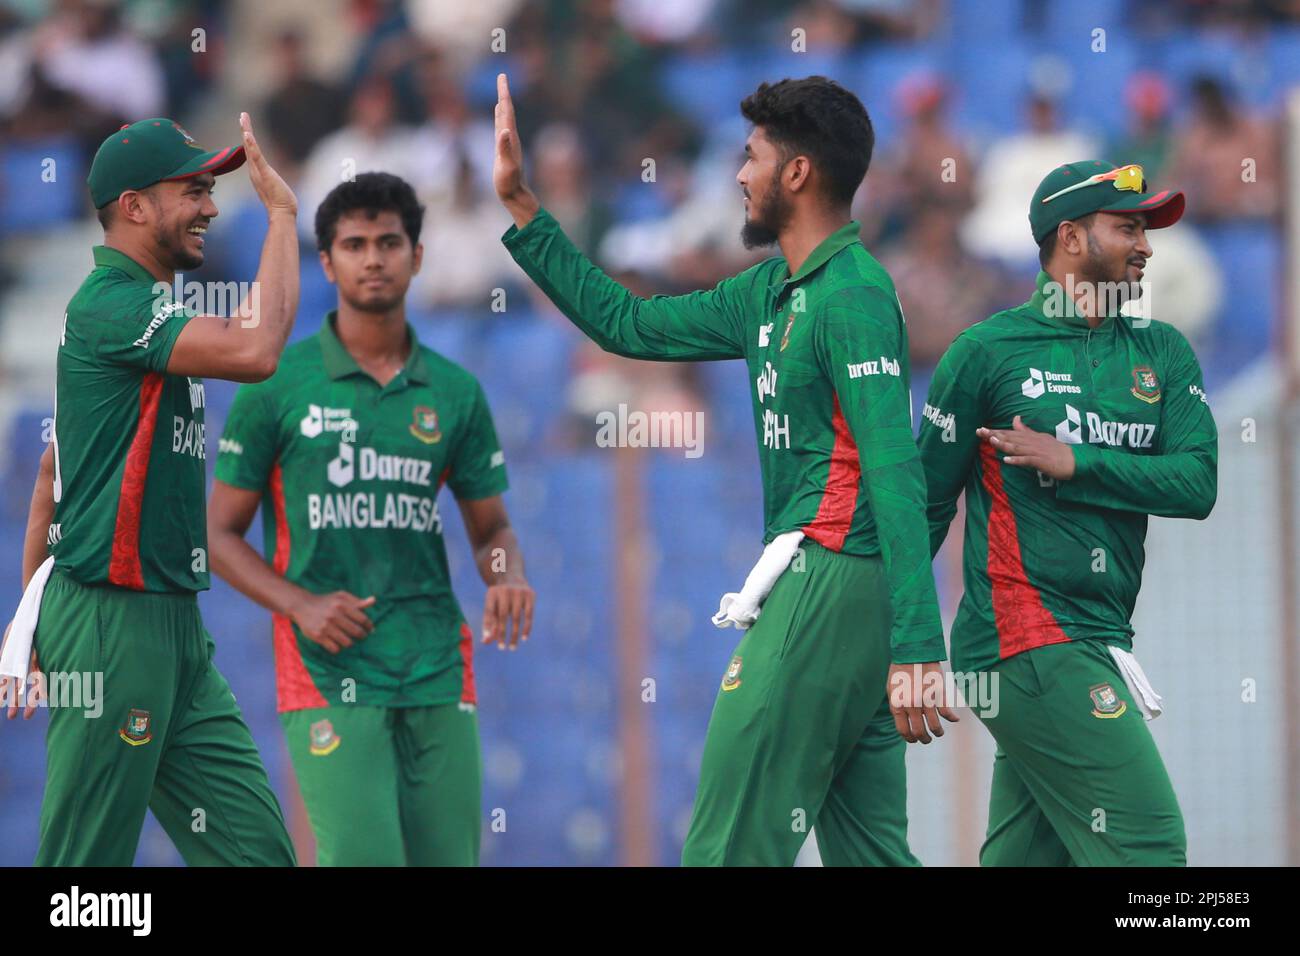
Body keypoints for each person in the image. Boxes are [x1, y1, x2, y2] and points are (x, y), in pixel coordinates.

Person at [494, 72, 955, 867]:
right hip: (837, 589)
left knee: (727, 844)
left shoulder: (853, 296)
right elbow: (627, 323)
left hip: (832, 577)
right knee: (873, 853)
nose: (739, 176)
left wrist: (919, 643)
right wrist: (527, 212)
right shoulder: (766, 293)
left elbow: (895, 468)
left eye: (751, 158)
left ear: (798, 173)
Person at [207, 172, 534, 866]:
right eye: (354, 245)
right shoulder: (278, 383)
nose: (374, 259)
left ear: (418, 255)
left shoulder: (455, 391)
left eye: (389, 242)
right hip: (328, 669)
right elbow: (217, 535)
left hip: (437, 666)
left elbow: (492, 531)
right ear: (325, 263)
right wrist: (299, 603)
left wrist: (507, 575)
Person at [1, 113, 301, 866]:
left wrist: (26, 619)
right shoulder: (112, 305)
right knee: (82, 878)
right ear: (134, 206)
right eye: (192, 190)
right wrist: (284, 217)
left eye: (210, 189)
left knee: (259, 855)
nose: (208, 206)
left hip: (173, 628)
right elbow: (260, 350)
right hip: (111, 618)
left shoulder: (151, 313)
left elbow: (51, 472)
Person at [919, 160, 1216, 865]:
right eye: (1128, 227)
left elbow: (1197, 483)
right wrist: (901, 646)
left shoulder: (1163, 353)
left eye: (1146, 229)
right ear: (1071, 238)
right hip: (1023, 639)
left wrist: (1075, 461)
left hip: (1097, 637)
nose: (1145, 246)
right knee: (1148, 847)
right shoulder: (986, 353)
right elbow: (923, 507)